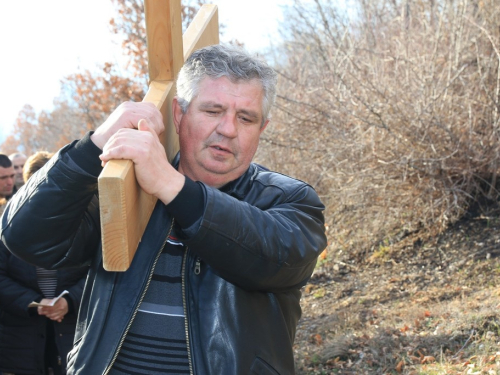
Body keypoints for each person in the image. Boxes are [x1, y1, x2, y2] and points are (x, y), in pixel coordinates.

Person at [1, 44, 327, 375]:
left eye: (246, 118)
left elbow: (275, 257)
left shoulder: (290, 199)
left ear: (263, 128)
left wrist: (172, 187)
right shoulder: (125, 191)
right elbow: (26, 238)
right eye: (213, 111)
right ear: (179, 114)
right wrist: (93, 147)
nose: (229, 129)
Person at [0, 151, 89, 375]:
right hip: (20, 340)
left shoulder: (85, 224)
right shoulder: (8, 226)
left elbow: (99, 272)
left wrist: (69, 300)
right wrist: (37, 303)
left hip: (73, 334)